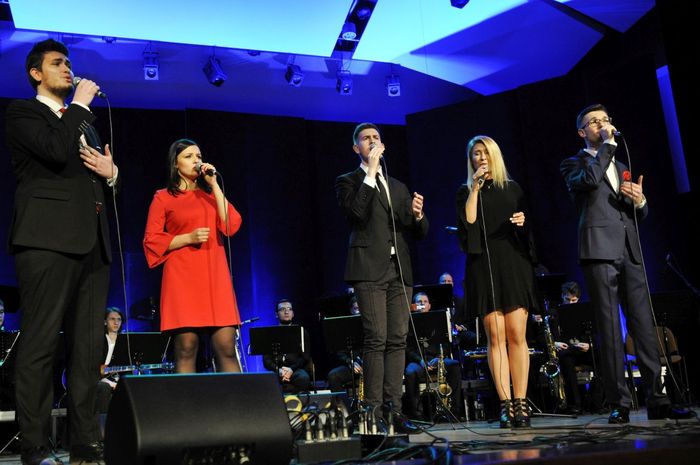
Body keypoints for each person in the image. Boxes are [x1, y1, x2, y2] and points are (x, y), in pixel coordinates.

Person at [5, 38, 117, 465]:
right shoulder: (23, 112)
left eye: (69, 62)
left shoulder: (81, 122)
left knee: (87, 349)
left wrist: (113, 173)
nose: (68, 69)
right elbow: (53, 151)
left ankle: (85, 441)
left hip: (93, 243)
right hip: (46, 241)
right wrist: (81, 105)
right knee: (41, 343)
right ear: (36, 73)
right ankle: (35, 445)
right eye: (57, 63)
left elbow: (95, 177)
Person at [560, 104, 693, 423]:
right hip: (598, 250)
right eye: (594, 122)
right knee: (609, 328)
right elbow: (589, 181)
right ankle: (619, 402)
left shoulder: (621, 166)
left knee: (644, 326)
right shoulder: (573, 164)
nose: (602, 125)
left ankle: (658, 399)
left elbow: (636, 213)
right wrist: (607, 145)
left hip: (629, 249)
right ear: (582, 132)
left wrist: (640, 201)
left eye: (606, 120)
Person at [335, 122, 429, 430]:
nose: (372, 141)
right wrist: (371, 172)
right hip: (368, 269)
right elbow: (356, 213)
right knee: (376, 338)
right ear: (356, 148)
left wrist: (418, 215)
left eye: (376, 137)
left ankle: (394, 411)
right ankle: (372, 413)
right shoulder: (348, 181)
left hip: (399, 269)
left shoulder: (397, 186)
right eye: (366, 138)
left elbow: (417, 231)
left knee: (398, 339)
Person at [456, 135, 537, 428]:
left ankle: (521, 402)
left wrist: (522, 223)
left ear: (494, 156)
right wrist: (475, 189)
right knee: (496, 336)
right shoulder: (466, 191)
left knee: (516, 334)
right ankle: (505, 403)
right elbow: (469, 223)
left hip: (513, 263)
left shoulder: (512, 188)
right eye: (476, 154)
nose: (481, 158)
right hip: (484, 266)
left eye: (485, 153)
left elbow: (528, 230)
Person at [144, 138, 242, 374]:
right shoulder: (163, 197)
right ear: (175, 164)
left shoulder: (210, 196)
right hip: (182, 278)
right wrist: (187, 238)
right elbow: (151, 240)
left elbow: (231, 225)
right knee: (186, 347)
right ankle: (185, 399)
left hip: (214, 276)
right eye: (188, 156)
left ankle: (236, 399)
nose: (196, 160)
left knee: (226, 346)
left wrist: (214, 185)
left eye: (198, 156)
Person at [530, 281, 591, 414]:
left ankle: (596, 402)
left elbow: (591, 332)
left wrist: (588, 344)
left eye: (574, 300)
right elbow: (540, 337)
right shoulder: (553, 313)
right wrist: (555, 343)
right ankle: (575, 404)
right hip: (564, 351)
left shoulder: (583, 311)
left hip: (582, 350)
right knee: (566, 359)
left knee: (601, 357)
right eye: (567, 300)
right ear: (562, 297)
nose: (570, 303)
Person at [404, 293, 462, 421]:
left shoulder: (438, 320)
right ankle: (416, 415)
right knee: (410, 372)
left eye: (425, 301)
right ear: (414, 305)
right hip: (418, 361)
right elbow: (407, 349)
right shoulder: (408, 322)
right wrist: (421, 361)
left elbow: (446, 343)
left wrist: (439, 358)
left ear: (429, 305)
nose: (422, 304)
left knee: (454, 366)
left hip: (437, 359)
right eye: (419, 302)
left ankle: (454, 412)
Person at [262, 299, 312, 393]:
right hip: (276, 370)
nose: (286, 312)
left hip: (295, 369)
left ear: (293, 313)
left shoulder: (301, 332)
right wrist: (279, 370)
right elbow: (266, 360)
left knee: (303, 378)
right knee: (263, 381)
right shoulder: (270, 334)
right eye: (282, 309)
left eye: (289, 309)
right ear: (276, 314)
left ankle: (295, 401)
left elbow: (305, 357)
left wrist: (291, 369)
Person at [94, 308, 124, 415]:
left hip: (117, 378)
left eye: (119, 319)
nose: (116, 322)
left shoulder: (125, 340)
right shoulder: (98, 339)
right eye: (112, 319)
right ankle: (103, 421)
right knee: (104, 387)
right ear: (105, 322)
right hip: (99, 378)